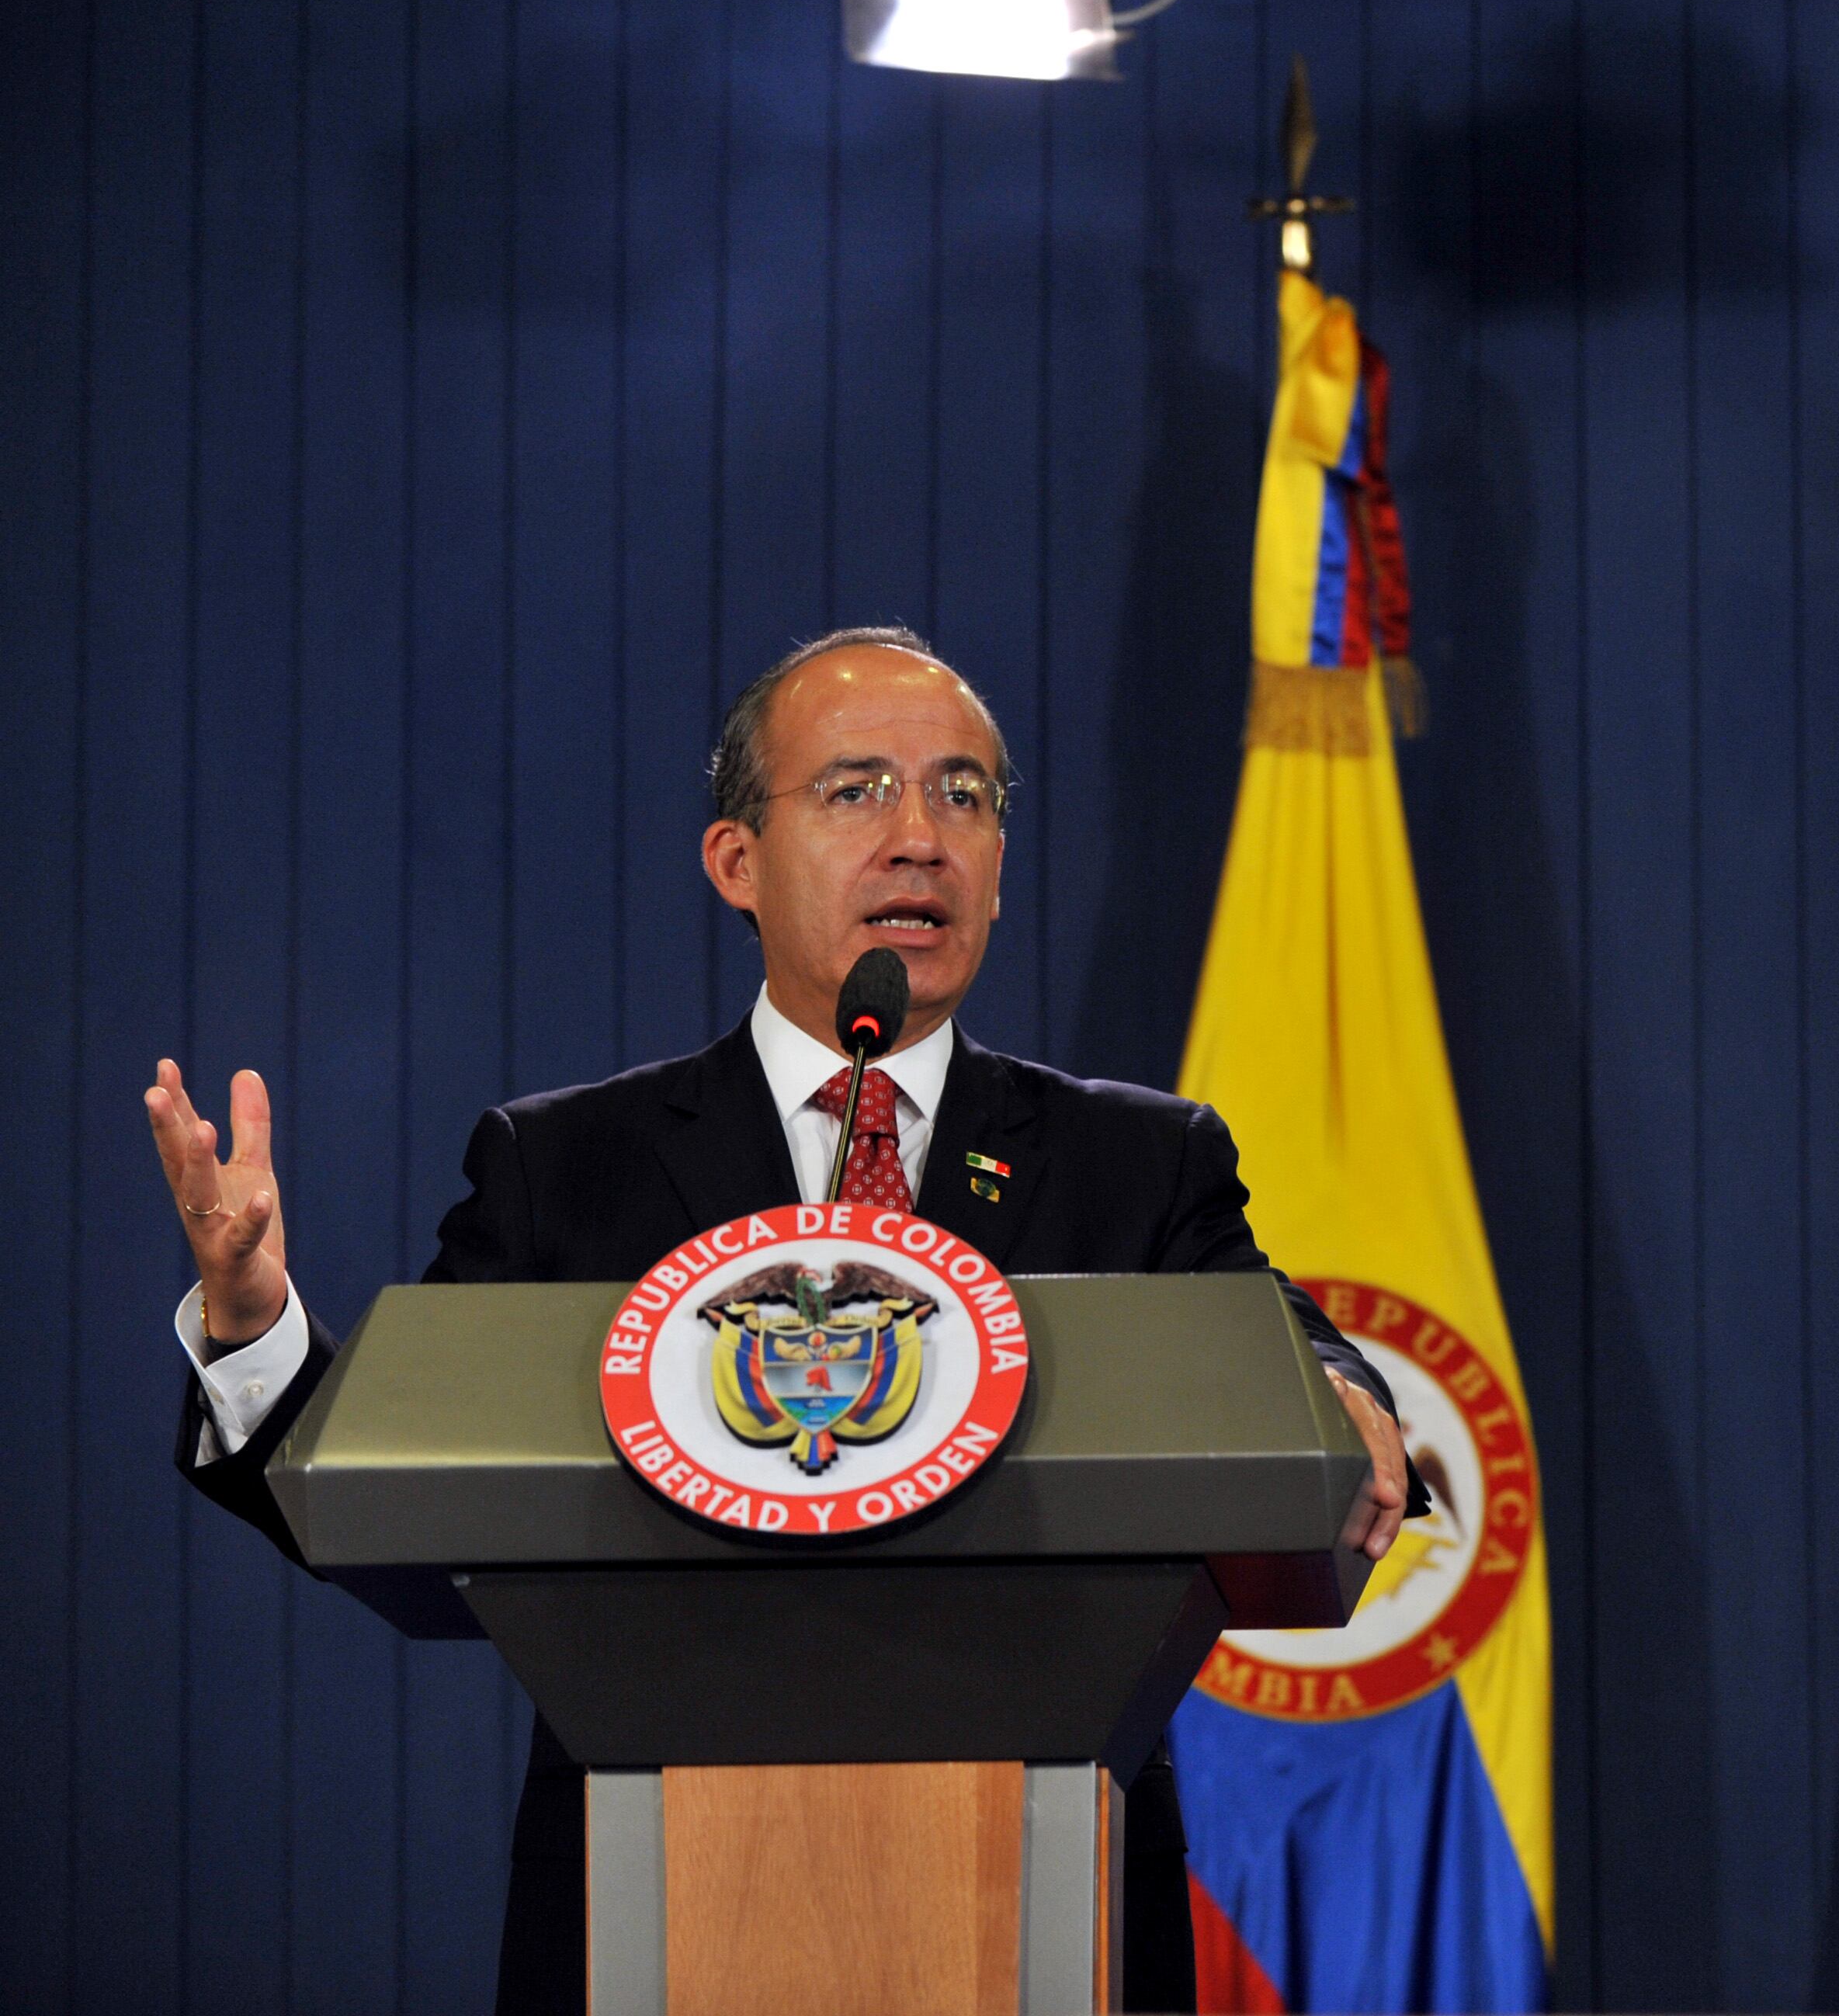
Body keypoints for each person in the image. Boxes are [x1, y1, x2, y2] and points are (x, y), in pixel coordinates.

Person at [144, 626, 1413, 2016]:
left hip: (1053, 1909)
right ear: (735, 862)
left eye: (965, 795)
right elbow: (384, 1498)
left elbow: (1278, 1345)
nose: (921, 838)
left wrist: (1342, 1391)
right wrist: (256, 1321)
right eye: (857, 789)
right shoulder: (567, 1165)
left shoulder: (1137, 1161)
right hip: (651, 1909)